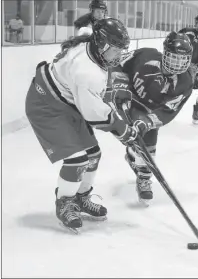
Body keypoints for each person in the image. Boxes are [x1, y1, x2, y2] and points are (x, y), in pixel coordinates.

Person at [25, 18, 137, 233]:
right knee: (77, 160)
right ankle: (65, 202)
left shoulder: (90, 44)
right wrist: (122, 128)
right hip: (46, 106)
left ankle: (81, 197)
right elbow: (95, 114)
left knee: (93, 154)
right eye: (115, 50)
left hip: (65, 100)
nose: (118, 55)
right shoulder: (86, 71)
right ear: (102, 45)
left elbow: (92, 95)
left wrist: (112, 94)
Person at [108, 31, 194, 204]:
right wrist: (119, 82)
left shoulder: (185, 83)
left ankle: (144, 177)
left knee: (148, 148)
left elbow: (168, 110)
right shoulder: (145, 55)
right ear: (164, 53)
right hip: (128, 99)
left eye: (182, 60)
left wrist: (147, 122)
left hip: (148, 112)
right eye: (173, 58)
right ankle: (133, 154)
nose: (177, 65)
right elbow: (117, 63)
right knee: (129, 137)